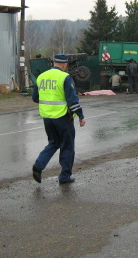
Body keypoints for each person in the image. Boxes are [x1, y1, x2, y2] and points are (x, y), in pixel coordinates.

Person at [31, 54, 86, 185]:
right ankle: (64, 176)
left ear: (54, 62)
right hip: (62, 117)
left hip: (47, 117)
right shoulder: (65, 77)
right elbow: (72, 101)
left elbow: (35, 97)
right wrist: (81, 116)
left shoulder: (41, 77)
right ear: (64, 64)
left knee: (53, 143)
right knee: (67, 146)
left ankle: (38, 166)